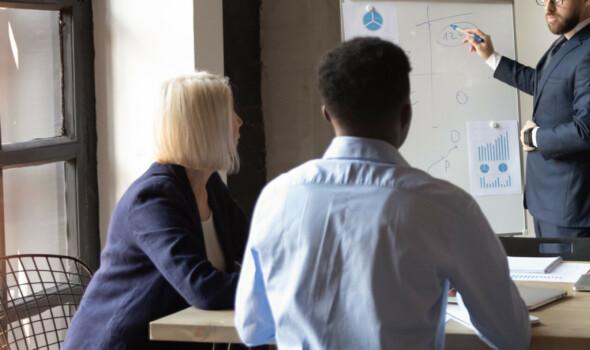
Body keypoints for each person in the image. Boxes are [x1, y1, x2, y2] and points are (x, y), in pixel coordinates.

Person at [233, 37, 530, 350]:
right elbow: (511, 336)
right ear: (406, 116)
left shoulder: (277, 197)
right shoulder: (449, 208)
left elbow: (253, 327)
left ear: (326, 115)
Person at [65, 72, 246, 350]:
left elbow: (255, 252)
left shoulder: (211, 186)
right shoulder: (153, 199)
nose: (238, 121)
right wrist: (281, 289)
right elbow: (202, 288)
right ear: (206, 127)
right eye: (229, 113)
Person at [462, 0, 590, 238]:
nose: (548, 8)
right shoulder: (569, 43)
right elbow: (542, 84)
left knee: (579, 277)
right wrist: (492, 58)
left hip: (572, 210)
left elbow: (588, 131)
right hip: (549, 204)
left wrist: (533, 136)